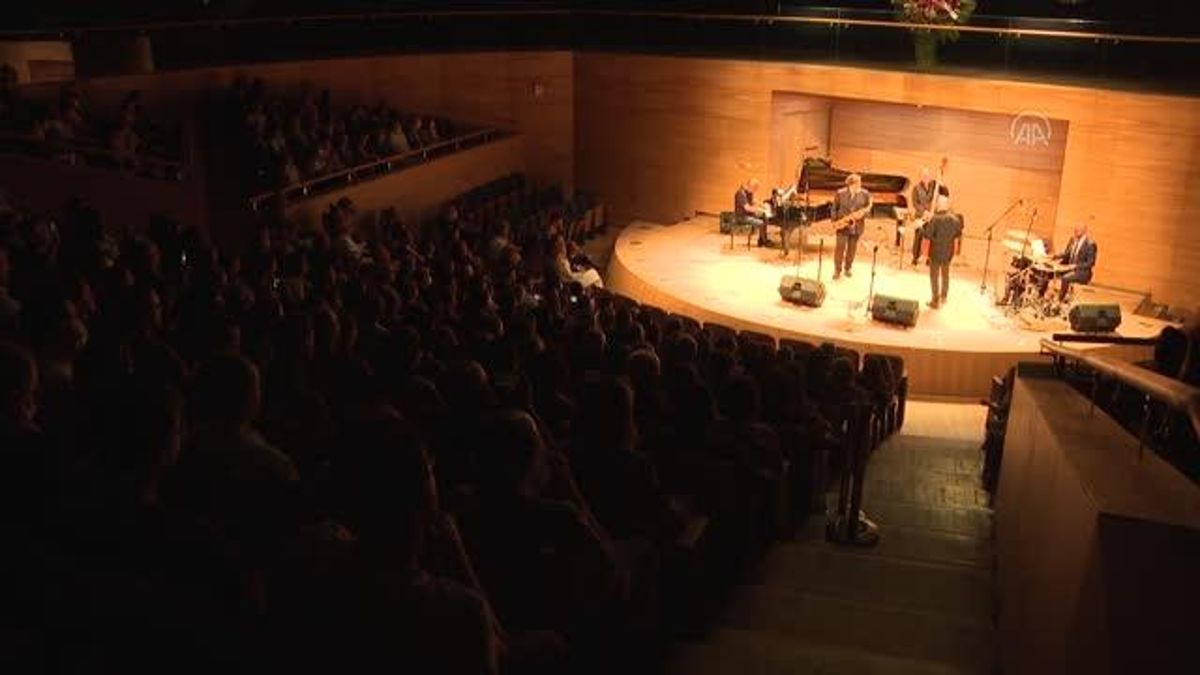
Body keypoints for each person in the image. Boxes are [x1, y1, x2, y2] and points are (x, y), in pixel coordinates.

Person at [923, 195, 963, 309]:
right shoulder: (955, 219)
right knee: (945, 275)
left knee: (934, 276)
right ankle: (944, 296)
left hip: (935, 252)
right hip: (948, 252)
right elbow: (957, 238)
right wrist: (954, 252)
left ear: (938, 206)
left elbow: (927, 237)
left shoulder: (935, 219)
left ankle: (935, 300)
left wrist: (925, 254)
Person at [832, 174, 872, 279]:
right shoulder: (840, 193)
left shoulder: (865, 194)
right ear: (851, 184)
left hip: (857, 226)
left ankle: (848, 268)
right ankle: (837, 270)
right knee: (840, 248)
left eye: (860, 183)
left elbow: (868, 210)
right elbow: (834, 208)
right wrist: (835, 221)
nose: (860, 185)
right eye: (857, 183)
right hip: (842, 225)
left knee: (852, 250)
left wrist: (862, 214)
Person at [909, 166, 948, 263]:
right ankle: (915, 257)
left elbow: (945, 192)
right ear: (921, 177)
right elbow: (915, 203)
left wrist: (940, 178)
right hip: (920, 216)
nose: (925, 177)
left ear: (929, 176)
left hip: (931, 217)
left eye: (927, 176)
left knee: (932, 238)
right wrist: (924, 212)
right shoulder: (916, 188)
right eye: (923, 176)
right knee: (918, 236)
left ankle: (929, 258)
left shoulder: (934, 185)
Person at [1054, 221, 1097, 301]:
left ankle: (1059, 301)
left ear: (1084, 231)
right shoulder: (1073, 240)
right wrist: (1054, 257)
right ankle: (1041, 295)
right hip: (1069, 268)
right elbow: (1067, 254)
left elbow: (1091, 263)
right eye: (1075, 230)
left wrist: (1076, 266)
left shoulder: (1090, 244)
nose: (1075, 232)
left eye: (1078, 230)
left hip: (1082, 272)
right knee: (1049, 272)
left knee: (1065, 278)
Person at [734, 178, 768, 247]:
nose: (755, 191)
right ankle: (765, 242)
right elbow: (747, 208)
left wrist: (762, 205)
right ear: (751, 186)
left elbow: (753, 201)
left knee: (764, 217)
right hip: (742, 217)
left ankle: (761, 240)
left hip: (748, 215)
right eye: (755, 189)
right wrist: (758, 209)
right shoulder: (741, 194)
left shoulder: (749, 192)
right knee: (761, 223)